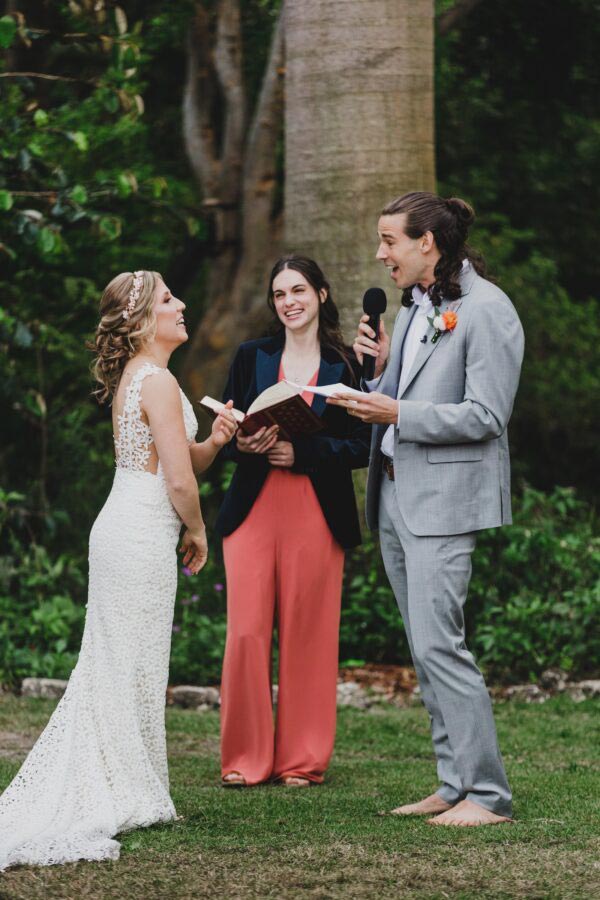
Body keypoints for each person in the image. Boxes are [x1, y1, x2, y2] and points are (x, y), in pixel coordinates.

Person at [0, 270, 237, 869]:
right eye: (167, 300)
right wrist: (199, 529)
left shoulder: (145, 378)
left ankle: (131, 781)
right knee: (124, 660)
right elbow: (179, 482)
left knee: (127, 659)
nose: (181, 305)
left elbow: (184, 463)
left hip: (131, 524)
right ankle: (121, 787)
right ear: (140, 321)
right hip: (137, 531)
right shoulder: (155, 380)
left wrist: (218, 439)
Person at [329, 192, 524, 826]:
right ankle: (452, 782)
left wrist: (398, 412)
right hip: (392, 495)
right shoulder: (416, 307)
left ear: (427, 245)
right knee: (423, 646)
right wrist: (378, 375)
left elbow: (487, 416)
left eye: (389, 241)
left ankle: (488, 795)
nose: (381, 253)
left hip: (442, 501)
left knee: (443, 644)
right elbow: (395, 396)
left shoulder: (488, 310)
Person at [216, 255, 370, 788]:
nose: (289, 302)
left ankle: (302, 760)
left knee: (310, 634)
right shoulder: (250, 356)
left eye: (299, 290)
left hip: (315, 510)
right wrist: (244, 441)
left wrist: (301, 451)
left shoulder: (347, 364)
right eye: (280, 293)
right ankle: (244, 757)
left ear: (322, 295)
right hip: (254, 509)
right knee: (247, 633)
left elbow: (361, 445)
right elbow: (232, 431)